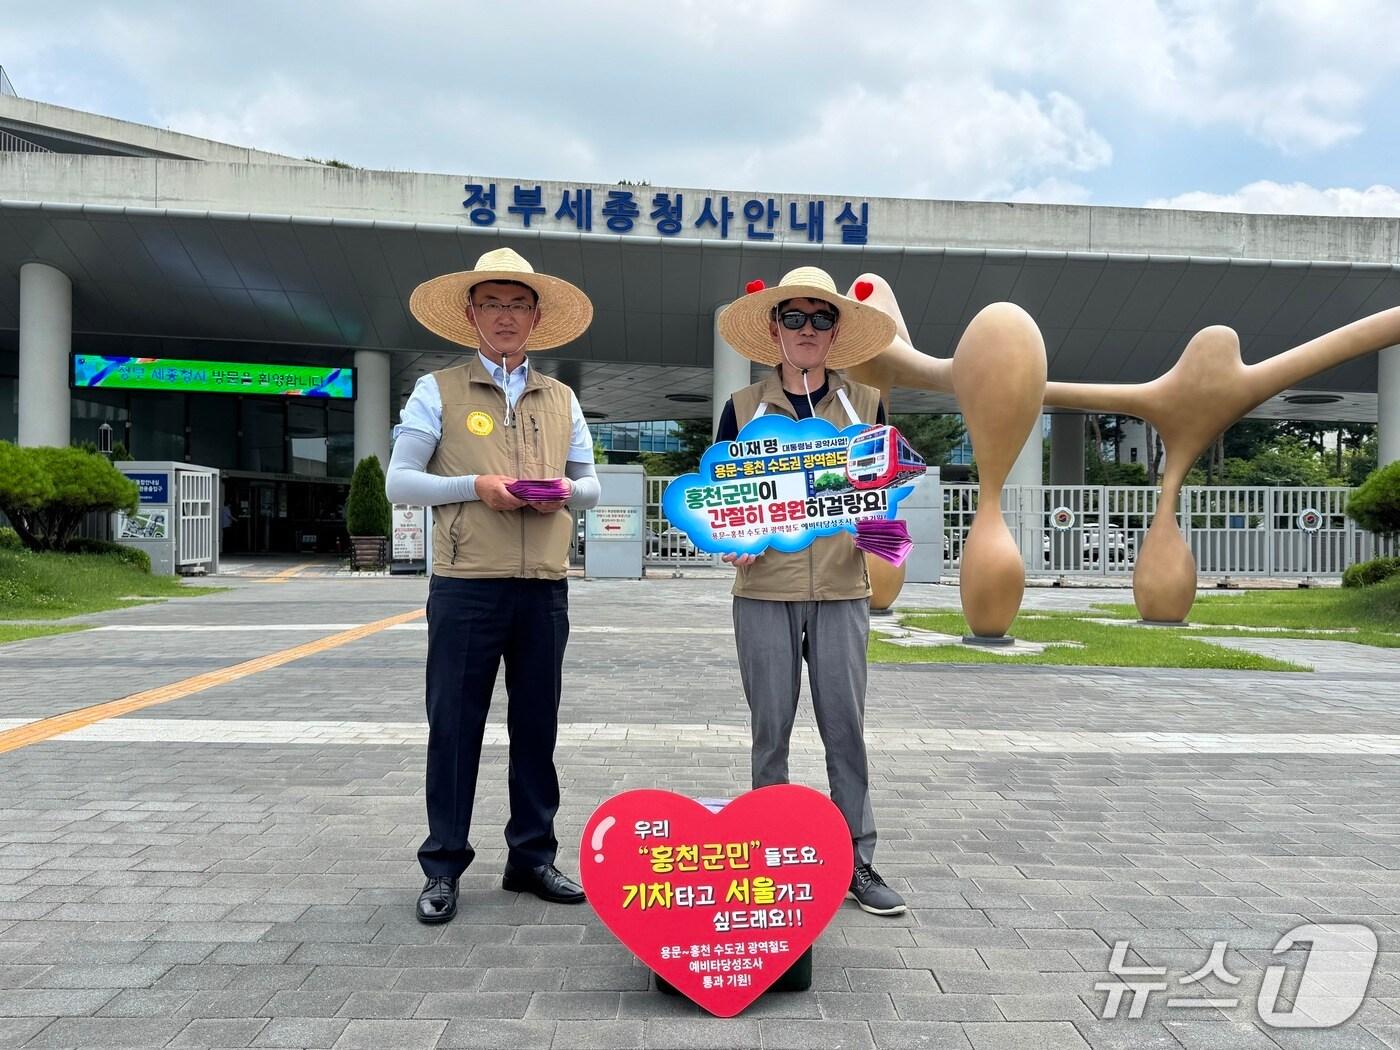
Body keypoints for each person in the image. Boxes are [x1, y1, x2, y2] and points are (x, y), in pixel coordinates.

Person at [386, 247, 601, 924]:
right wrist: (475, 488)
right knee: (455, 727)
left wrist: (565, 492)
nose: (505, 317)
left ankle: (531, 858)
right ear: (470, 314)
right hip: (466, 585)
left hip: (543, 586)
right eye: (492, 304)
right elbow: (399, 481)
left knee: (538, 727)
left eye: (518, 304)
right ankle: (443, 864)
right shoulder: (437, 389)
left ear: (536, 317)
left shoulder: (561, 397)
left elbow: (591, 485)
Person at [714, 266, 907, 916]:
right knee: (770, 730)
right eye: (793, 318)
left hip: (844, 591)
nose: (806, 331)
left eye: (820, 319)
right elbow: (721, 503)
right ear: (774, 330)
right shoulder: (742, 410)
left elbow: (886, 503)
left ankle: (859, 862)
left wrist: (880, 539)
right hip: (763, 590)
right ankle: (769, 854)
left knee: (844, 728)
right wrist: (730, 539)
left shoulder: (868, 406)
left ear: (835, 332)